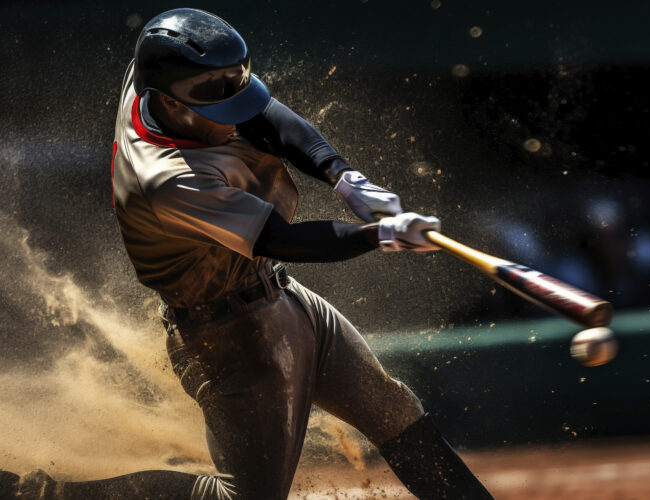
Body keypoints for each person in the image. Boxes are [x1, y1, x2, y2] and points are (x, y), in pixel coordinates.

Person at [1, 8, 494, 500]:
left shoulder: (157, 75)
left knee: (393, 410)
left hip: (284, 297)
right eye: (218, 111)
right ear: (170, 106)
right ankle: (43, 493)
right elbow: (283, 239)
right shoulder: (167, 179)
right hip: (230, 339)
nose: (234, 120)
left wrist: (343, 176)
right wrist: (379, 234)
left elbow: (266, 115)